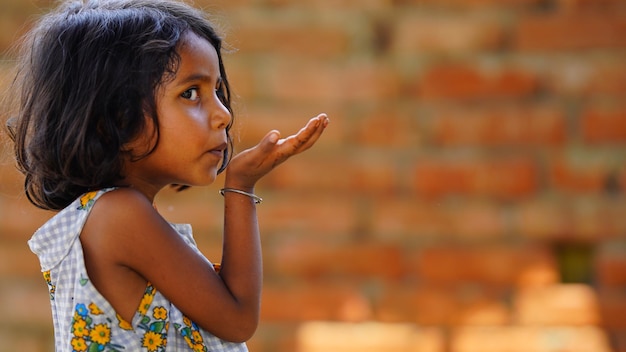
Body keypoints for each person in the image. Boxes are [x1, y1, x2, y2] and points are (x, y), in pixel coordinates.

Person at [5, 0, 329, 351]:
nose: (223, 115)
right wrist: (240, 185)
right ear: (116, 116)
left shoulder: (111, 215)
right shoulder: (120, 215)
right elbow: (238, 318)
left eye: (218, 91)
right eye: (191, 93)